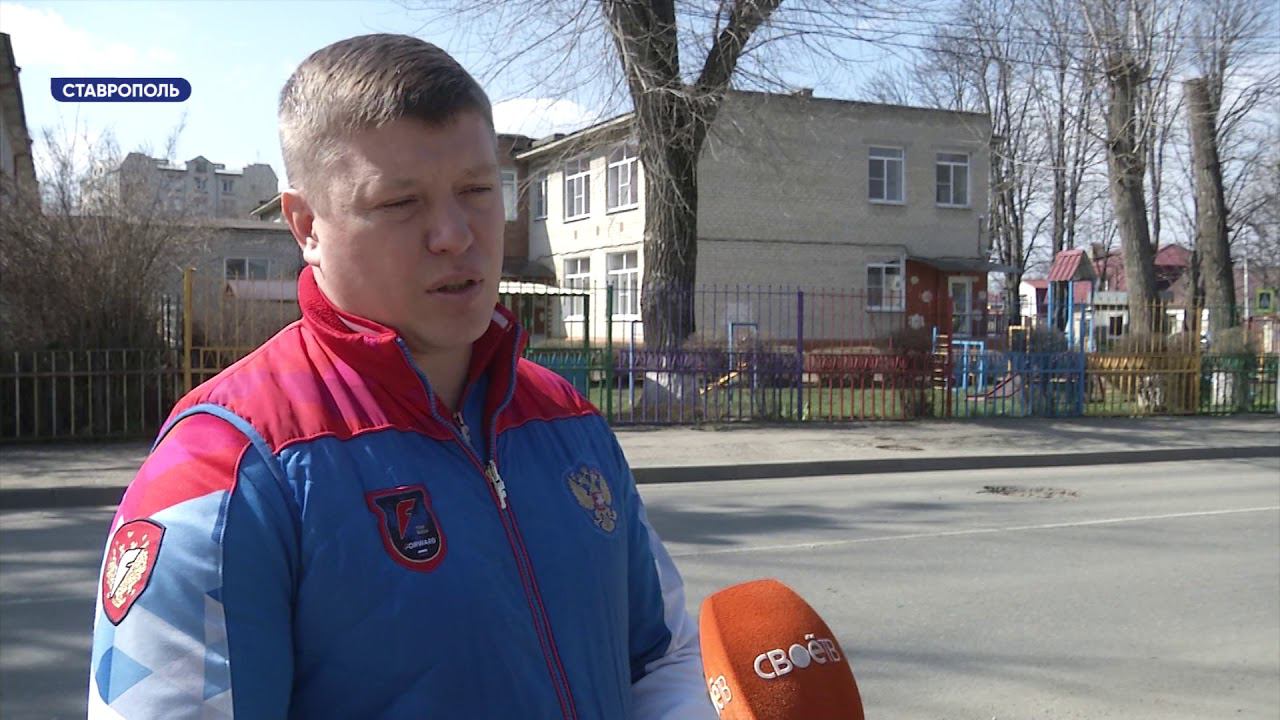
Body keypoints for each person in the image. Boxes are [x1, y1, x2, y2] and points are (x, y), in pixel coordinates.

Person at [88, 34, 714, 719]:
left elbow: (662, 657)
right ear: (306, 225)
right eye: (400, 203)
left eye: (478, 190)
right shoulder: (226, 466)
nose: (454, 234)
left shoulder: (567, 419)